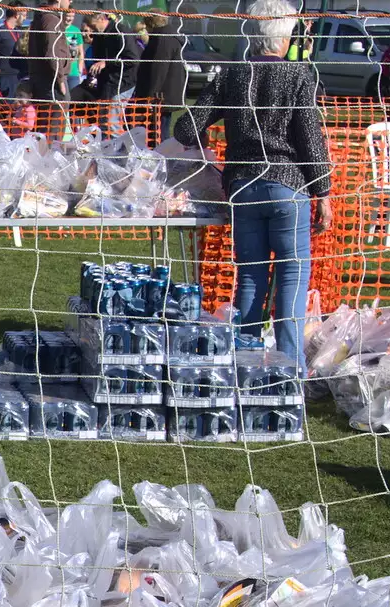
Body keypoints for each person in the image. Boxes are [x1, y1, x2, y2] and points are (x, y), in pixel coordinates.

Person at [177, 0, 332, 367]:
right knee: (291, 281)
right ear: (286, 35)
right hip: (287, 185)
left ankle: (245, 367)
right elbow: (310, 139)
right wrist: (323, 192)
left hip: (244, 187)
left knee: (250, 279)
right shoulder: (299, 75)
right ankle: (289, 370)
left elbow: (185, 128)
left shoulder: (232, 74)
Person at [135, 11, 187, 141]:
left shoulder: (163, 39)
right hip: (163, 94)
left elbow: (159, 69)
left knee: (160, 132)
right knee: (159, 129)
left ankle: (162, 158)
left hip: (161, 95)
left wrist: (150, 96)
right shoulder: (166, 36)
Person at [27, 0, 74, 134]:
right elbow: (51, 52)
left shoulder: (43, 17)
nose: (71, 1)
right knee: (54, 128)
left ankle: (45, 153)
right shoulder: (50, 19)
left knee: (46, 126)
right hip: (52, 82)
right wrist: (60, 80)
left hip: (46, 80)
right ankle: (50, 154)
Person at [0, 7, 25, 98]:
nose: (25, 18)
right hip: (4, 78)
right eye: (24, 15)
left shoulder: (19, 31)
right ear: (17, 15)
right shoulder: (0, 30)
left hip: (19, 77)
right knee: (6, 110)